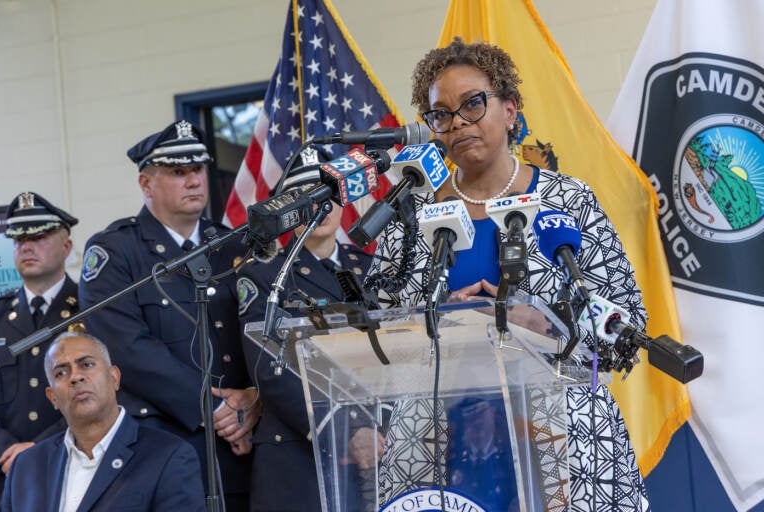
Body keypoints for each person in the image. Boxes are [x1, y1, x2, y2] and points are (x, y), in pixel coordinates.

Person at [371, 38, 650, 511]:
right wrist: (440, 324)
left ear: (509, 110)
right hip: (438, 445)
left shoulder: (569, 201)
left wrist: (547, 325)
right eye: (441, 114)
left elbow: (627, 324)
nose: (458, 122)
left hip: (560, 438)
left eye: (473, 104)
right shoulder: (409, 213)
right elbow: (378, 333)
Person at [78, 120, 259, 510]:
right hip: (164, 447)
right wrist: (213, 409)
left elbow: (262, 331)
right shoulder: (116, 252)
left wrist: (254, 397)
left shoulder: (232, 244)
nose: (194, 180)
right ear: (146, 184)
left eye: (197, 169)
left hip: (242, 444)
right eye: (178, 172)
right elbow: (128, 348)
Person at [237, 151, 379, 512]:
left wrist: (379, 427)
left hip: (379, 444)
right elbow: (271, 370)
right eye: (306, 197)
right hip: (297, 454)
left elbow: (397, 353)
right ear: (288, 208)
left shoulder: (371, 269)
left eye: (328, 195)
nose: (322, 206)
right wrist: (346, 430)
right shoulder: (264, 276)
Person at [0, 332, 205, 511]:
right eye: (61, 372)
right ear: (52, 397)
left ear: (114, 378)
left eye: (86, 365)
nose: (75, 377)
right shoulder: (26, 467)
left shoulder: (168, 456)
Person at [0, 192, 80, 502]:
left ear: (67, 246)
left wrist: (41, 446)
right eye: (18, 239)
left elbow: (111, 392)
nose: (26, 247)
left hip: (72, 464)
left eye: (39, 236)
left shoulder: (91, 310)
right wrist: (5, 448)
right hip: (4, 474)